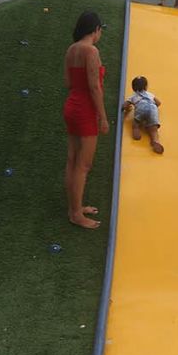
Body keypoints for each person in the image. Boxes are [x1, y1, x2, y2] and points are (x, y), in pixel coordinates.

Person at [63, 11, 111, 229]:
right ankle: (76, 214)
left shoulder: (71, 50)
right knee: (84, 165)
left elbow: (68, 82)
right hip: (85, 110)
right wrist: (103, 117)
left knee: (72, 160)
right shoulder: (91, 51)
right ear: (96, 30)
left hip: (71, 106)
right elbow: (94, 87)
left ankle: (74, 207)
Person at [122, 75, 164, 154]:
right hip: (153, 109)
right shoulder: (150, 94)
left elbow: (124, 105)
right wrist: (153, 106)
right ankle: (155, 141)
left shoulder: (133, 96)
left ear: (133, 88)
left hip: (141, 109)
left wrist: (128, 109)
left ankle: (136, 132)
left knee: (136, 123)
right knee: (154, 130)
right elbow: (158, 103)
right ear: (146, 87)